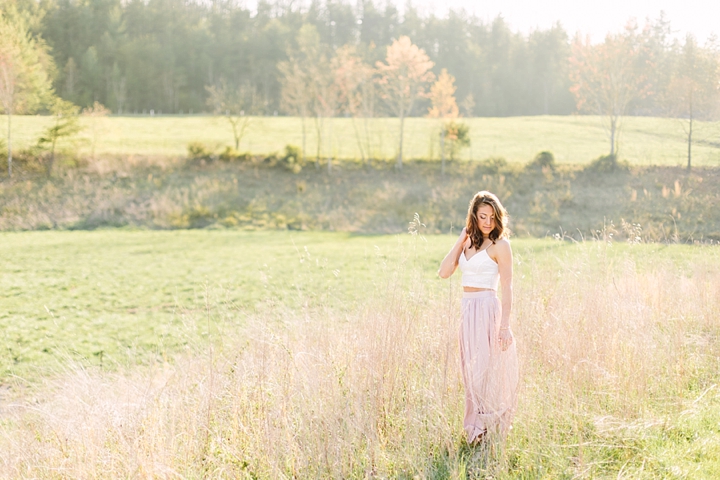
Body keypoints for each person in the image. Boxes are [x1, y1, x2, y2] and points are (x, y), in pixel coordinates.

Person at [438, 191, 519, 444]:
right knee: (470, 371)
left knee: (486, 370)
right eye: (482, 216)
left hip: (487, 310)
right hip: (467, 310)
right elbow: (443, 272)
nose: (487, 222)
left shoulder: (501, 245)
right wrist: (460, 239)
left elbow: (507, 287)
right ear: (474, 215)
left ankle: (491, 426)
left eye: (492, 218)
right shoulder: (467, 242)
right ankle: (475, 428)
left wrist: (504, 326)